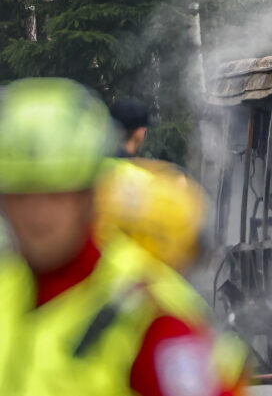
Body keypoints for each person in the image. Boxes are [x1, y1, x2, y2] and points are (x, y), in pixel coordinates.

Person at [0, 78, 246, 396]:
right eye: (23, 193)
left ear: (91, 193)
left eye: (58, 193)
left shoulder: (153, 320)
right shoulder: (8, 291)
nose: (38, 213)